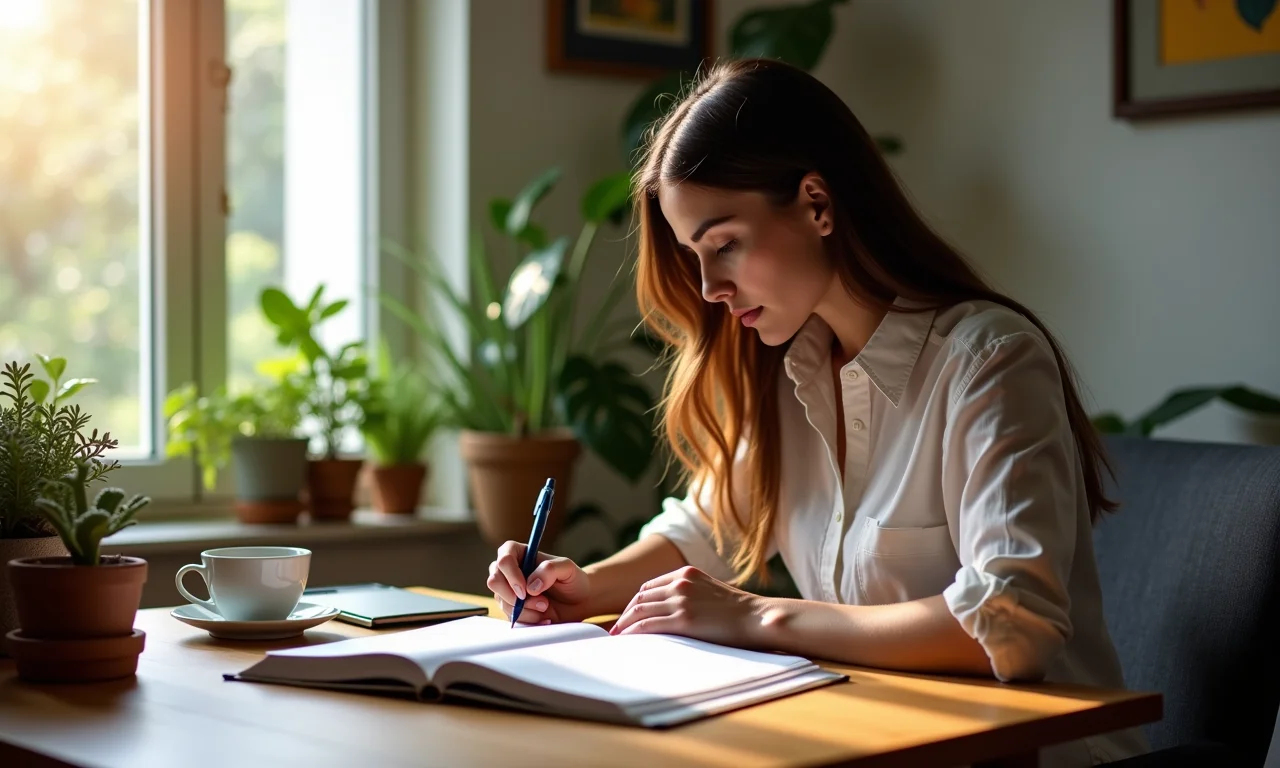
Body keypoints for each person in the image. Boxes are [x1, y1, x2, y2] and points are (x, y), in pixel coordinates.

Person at [487, 58, 1146, 766]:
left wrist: (757, 616)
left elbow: (1015, 624)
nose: (708, 287)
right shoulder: (786, 370)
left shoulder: (987, 361)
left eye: (724, 245)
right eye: (693, 257)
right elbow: (704, 529)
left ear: (817, 205)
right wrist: (582, 586)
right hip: (875, 742)